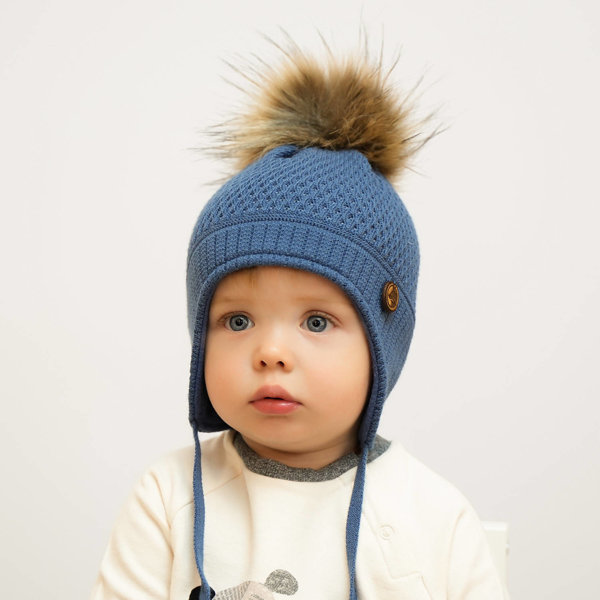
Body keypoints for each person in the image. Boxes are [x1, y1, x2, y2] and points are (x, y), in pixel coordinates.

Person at [91, 42, 509, 600]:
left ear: (382, 344)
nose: (270, 352)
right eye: (237, 321)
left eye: (316, 322)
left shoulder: (431, 516)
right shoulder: (169, 498)